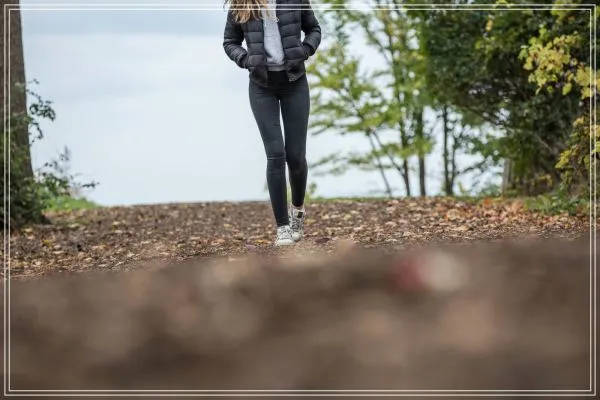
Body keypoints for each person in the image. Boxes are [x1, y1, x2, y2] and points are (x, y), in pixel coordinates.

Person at [223, 0, 321, 247]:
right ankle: (283, 228)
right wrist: (246, 60)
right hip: (261, 86)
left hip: (294, 82)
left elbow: (314, 29)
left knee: (296, 157)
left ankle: (297, 211)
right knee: (275, 154)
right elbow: (230, 42)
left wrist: (305, 51)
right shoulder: (242, 3)